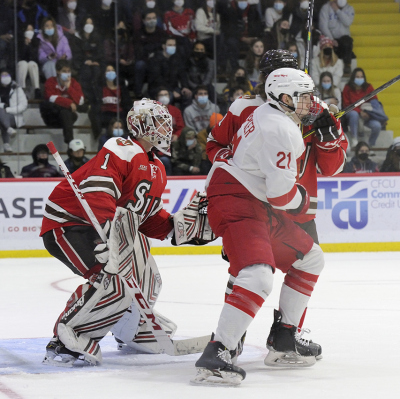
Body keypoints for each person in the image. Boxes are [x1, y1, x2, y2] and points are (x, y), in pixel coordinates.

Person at [206, 49, 347, 362]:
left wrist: (328, 139)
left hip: (297, 208)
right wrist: (236, 170)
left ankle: (287, 336)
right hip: (254, 204)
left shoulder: (313, 107)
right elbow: (215, 146)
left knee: (307, 262)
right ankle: (230, 337)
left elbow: (332, 167)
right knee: (248, 271)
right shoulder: (245, 106)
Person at [193, 69, 325, 385]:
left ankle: (284, 339)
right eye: (304, 96)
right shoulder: (281, 129)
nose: (311, 103)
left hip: (250, 197)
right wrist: (306, 201)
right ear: (284, 98)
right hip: (237, 198)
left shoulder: (266, 111)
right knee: (258, 274)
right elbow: (281, 196)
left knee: (311, 257)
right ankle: (218, 352)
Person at [40, 98, 176, 366]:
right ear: (139, 125)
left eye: (165, 122)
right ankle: (66, 338)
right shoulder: (121, 147)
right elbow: (99, 190)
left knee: (149, 279)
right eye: (158, 122)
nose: (164, 128)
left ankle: (131, 329)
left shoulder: (157, 168)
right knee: (110, 281)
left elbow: (146, 218)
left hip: (109, 230)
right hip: (71, 224)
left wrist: (183, 227)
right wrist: (106, 232)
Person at [40, 59, 85, 144]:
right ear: (57, 71)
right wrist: (70, 103)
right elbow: (51, 98)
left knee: (65, 112)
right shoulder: (50, 81)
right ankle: (71, 142)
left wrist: (69, 88)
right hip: (52, 117)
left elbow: (80, 101)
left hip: (67, 117)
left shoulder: (74, 83)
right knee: (47, 104)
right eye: (64, 71)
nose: (67, 74)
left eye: (68, 71)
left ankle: (70, 141)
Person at [218, 0, 264, 70]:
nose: (243, 1)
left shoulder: (252, 10)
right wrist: (242, 38)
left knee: (260, 43)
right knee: (231, 43)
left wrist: (254, 37)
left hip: (250, 37)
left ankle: (259, 68)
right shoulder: (229, 9)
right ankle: (236, 70)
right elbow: (227, 29)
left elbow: (258, 25)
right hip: (235, 37)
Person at [342, 68, 382, 148]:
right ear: (353, 77)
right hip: (352, 113)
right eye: (357, 76)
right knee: (354, 114)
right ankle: (354, 139)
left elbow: (375, 101)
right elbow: (346, 105)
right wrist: (360, 111)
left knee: (377, 126)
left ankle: (370, 145)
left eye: (361, 77)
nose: (359, 78)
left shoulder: (369, 87)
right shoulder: (347, 88)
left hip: (367, 115)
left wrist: (368, 113)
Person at [147, 36, 191, 106]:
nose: (172, 47)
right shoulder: (155, 60)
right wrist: (171, 91)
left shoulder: (177, 58)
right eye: (170, 45)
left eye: (174, 45)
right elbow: (157, 79)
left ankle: (181, 116)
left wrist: (185, 87)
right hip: (157, 88)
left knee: (188, 95)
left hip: (174, 87)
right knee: (167, 97)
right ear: (163, 46)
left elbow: (182, 74)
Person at [132, 9, 167, 98]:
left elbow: (162, 50)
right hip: (144, 61)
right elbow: (139, 51)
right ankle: (138, 92)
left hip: (157, 61)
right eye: (149, 18)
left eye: (154, 18)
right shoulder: (138, 34)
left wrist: (149, 49)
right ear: (143, 21)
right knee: (139, 65)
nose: (152, 20)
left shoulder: (161, 33)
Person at [319, 0, 355, 76]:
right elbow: (323, 26)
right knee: (327, 45)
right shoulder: (326, 8)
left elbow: (348, 22)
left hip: (343, 38)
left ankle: (347, 66)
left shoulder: (350, 8)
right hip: (330, 37)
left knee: (347, 42)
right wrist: (331, 39)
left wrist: (337, 10)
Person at [0, 70, 28, 153]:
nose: (5, 77)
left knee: (2, 115)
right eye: (3, 76)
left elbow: (24, 105)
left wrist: (8, 110)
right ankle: (8, 129)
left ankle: (6, 143)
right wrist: (2, 107)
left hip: (14, 116)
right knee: (1, 113)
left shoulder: (17, 88)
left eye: (7, 75)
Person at [17, 24, 41, 99]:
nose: (30, 32)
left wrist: (30, 45)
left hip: (32, 64)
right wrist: (25, 45)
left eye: (31, 30)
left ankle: (36, 89)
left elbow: (35, 57)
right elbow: (19, 56)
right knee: (23, 63)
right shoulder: (18, 41)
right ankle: (21, 89)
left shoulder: (36, 42)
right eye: (28, 30)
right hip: (21, 64)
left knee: (32, 64)